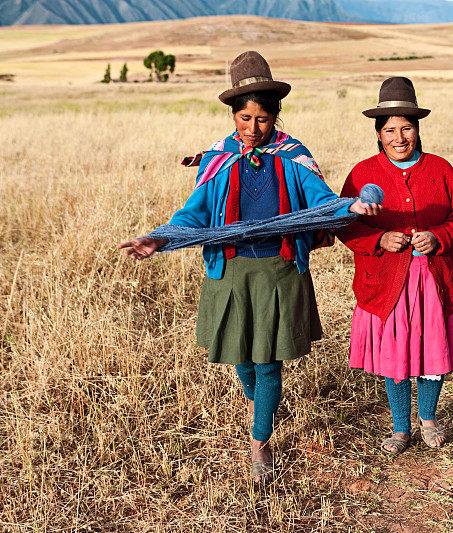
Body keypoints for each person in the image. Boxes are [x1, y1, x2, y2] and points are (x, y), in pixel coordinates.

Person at [119, 51, 379, 482]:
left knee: (268, 363)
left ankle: (260, 441)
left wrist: (355, 204)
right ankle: (263, 406)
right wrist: (159, 237)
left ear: (276, 114)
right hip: (231, 273)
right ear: (232, 115)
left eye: (262, 119)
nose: (253, 128)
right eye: (244, 118)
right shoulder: (218, 160)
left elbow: (323, 203)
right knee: (242, 358)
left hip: (278, 273)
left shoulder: (294, 158)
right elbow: (192, 215)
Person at [337, 77, 453, 455]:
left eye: (407, 128)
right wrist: (377, 240)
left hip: (432, 278)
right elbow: (345, 224)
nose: (399, 137)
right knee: (394, 354)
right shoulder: (362, 174)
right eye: (390, 130)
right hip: (385, 281)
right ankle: (400, 427)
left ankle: (428, 419)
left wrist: (439, 237)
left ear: (418, 129)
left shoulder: (440, 169)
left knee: (432, 349)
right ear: (378, 134)